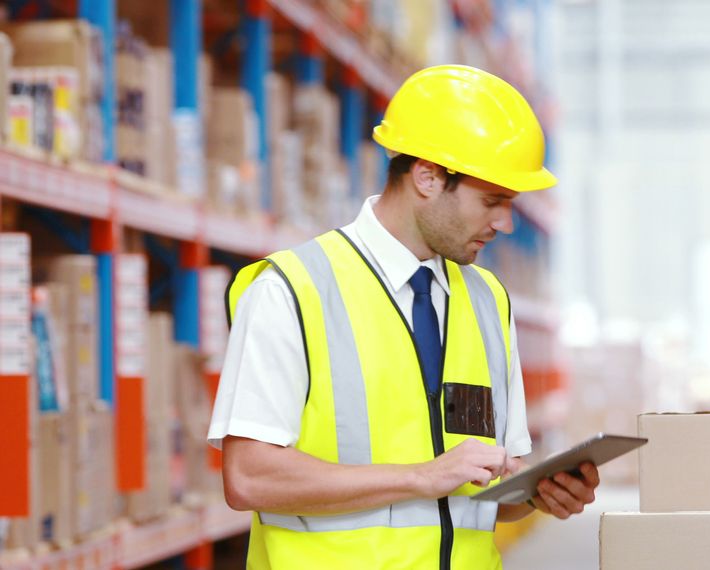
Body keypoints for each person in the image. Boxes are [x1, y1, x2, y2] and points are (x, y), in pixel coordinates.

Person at [208, 64, 599, 569]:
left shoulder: (486, 300)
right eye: (492, 201)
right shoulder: (292, 291)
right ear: (428, 177)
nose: (503, 223)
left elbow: (475, 497)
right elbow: (249, 478)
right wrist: (419, 476)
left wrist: (534, 494)